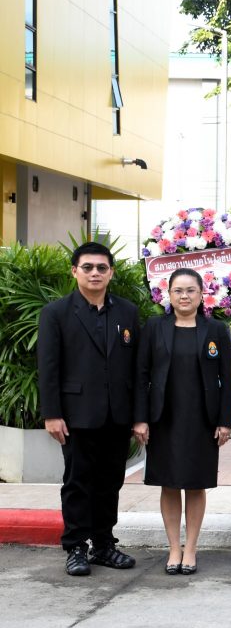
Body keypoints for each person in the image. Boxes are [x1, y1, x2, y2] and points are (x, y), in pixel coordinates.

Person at [38, 241, 140, 576]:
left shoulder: (127, 312)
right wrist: (52, 414)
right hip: (76, 415)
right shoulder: (56, 313)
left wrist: (138, 416)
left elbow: (137, 369)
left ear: (110, 272)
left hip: (117, 414)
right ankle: (76, 547)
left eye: (101, 268)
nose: (95, 273)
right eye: (88, 267)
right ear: (75, 271)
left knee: (110, 482)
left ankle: (104, 545)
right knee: (77, 482)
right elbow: (49, 368)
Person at [132, 268, 231, 575]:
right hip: (164, 418)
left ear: (202, 294)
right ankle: (173, 548)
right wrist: (140, 419)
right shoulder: (154, 327)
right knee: (169, 482)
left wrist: (225, 421)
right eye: (178, 290)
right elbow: (142, 376)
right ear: (169, 294)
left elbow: (225, 380)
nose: (184, 296)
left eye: (191, 290)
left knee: (195, 483)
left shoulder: (215, 329)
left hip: (201, 420)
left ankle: (191, 548)